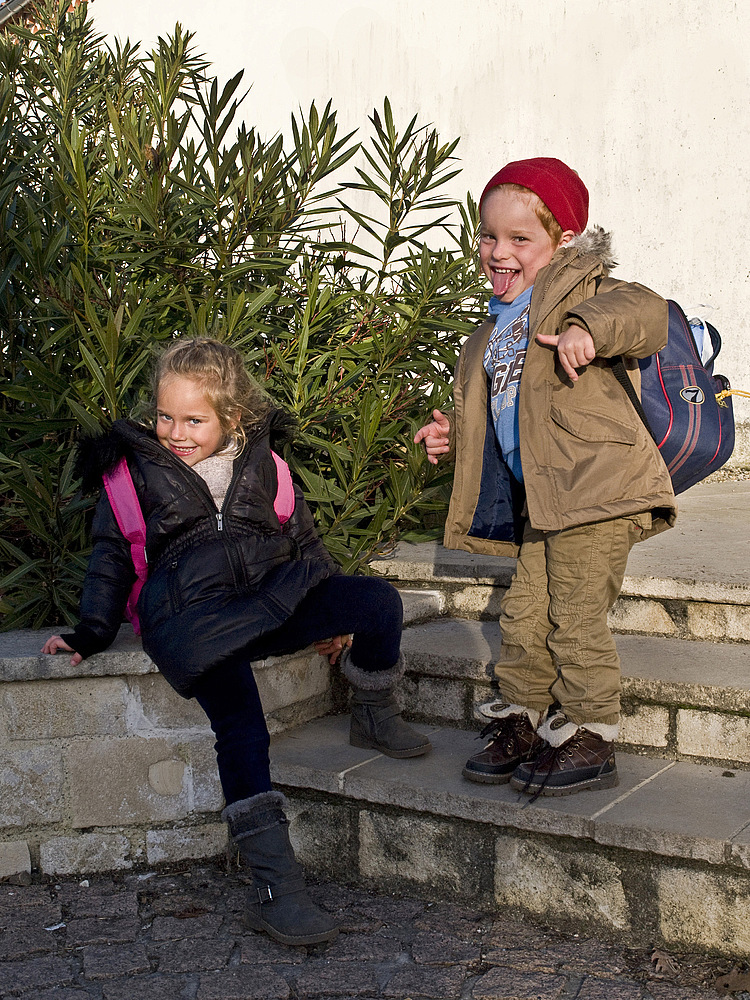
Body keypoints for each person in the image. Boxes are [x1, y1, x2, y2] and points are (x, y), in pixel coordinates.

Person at [43, 337, 431, 947]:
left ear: (234, 417)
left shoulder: (264, 462)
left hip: (272, 598)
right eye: (165, 416)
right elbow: (110, 560)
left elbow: (303, 545)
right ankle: (277, 888)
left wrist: (326, 612)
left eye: (193, 420)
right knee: (242, 726)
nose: (176, 431)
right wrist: (90, 633)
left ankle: (374, 713)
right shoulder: (131, 473)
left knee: (378, 602)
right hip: (195, 622)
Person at [414, 157, 676, 798]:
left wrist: (590, 328)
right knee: (526, 614)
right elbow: (508, 405)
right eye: (487, 236)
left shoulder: (583, 295)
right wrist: (453, 430)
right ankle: (525, 720)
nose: (497, 252)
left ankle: (591, 731)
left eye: (519, 239)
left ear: (564, 242)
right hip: (547, 500)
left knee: (576, 615)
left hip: (598, 490)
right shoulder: (490, 330)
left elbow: (647, 313)